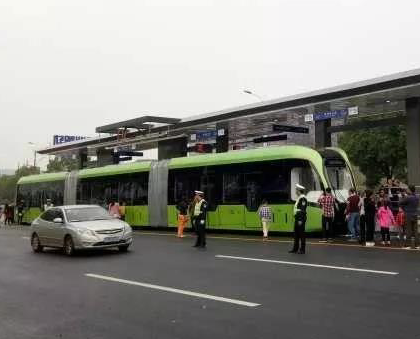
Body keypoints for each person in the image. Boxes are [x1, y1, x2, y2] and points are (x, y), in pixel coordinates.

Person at [289, 184, 308, 254]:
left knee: (301, 234)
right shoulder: (299, 198)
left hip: (300, 218)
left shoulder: (303, 198)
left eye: (296, 190)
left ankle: (302, 250)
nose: (295, 191)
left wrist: (300, 219)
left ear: (299, 191)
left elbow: (302, 210)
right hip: (298, 217)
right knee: (296, 234)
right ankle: (295, 249)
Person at [400, 185, 420, 249]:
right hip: (415, 214)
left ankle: (407, 245)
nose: (407, 190)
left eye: (408, 189)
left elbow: (400, 203)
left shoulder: (408, 197)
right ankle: (417, 245)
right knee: (415, 230)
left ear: (410, 190)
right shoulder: (417, 197)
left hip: (408, 214)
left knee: (408, 230)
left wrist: (404, 208)